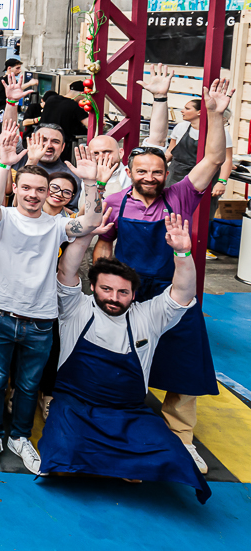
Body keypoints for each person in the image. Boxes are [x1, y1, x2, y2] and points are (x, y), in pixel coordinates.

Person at [94, 70, 230, 475]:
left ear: (165, 173)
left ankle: (181, 438)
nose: (151, 177)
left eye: (157, 172)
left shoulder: (181, 194)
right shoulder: (115, 200)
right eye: (143, 171)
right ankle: (121, 423)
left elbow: (213, 159)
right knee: (123, 359)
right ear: (130, 172)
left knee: (185, 364)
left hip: (176, 290)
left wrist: (216, 116)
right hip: (131, 293)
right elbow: (105, 242)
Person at [39, 211, 209, 502]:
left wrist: (182, 252)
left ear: (134, 295)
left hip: (128, 411)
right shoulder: (75, 308)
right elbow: (66, 272)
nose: (114, 298)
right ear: (92, 287)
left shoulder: (150, 316)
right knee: (61, 460)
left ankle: (113, 463)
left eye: (122, 292)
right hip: (75, 406)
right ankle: (117, 463)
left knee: (174, 459)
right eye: (106, 289)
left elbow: (182, 292)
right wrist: (88, 235)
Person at [0, 126, 105, 472]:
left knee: (29, 384)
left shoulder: (57, 225)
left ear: (50, 193)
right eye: (27, 188)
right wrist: (4, 165)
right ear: (16, 189)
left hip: (39, 319)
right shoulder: (3, 219)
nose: (33, 195)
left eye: (40, 190)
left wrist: (92, 183)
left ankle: (19, 437)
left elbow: (91, 221)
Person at [38, 81, 89, 148]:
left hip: (42, 139)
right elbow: (89, 124)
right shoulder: (75, 106)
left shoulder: (51, 99)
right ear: (82, 94)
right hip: (59, 144)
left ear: (69, 90)